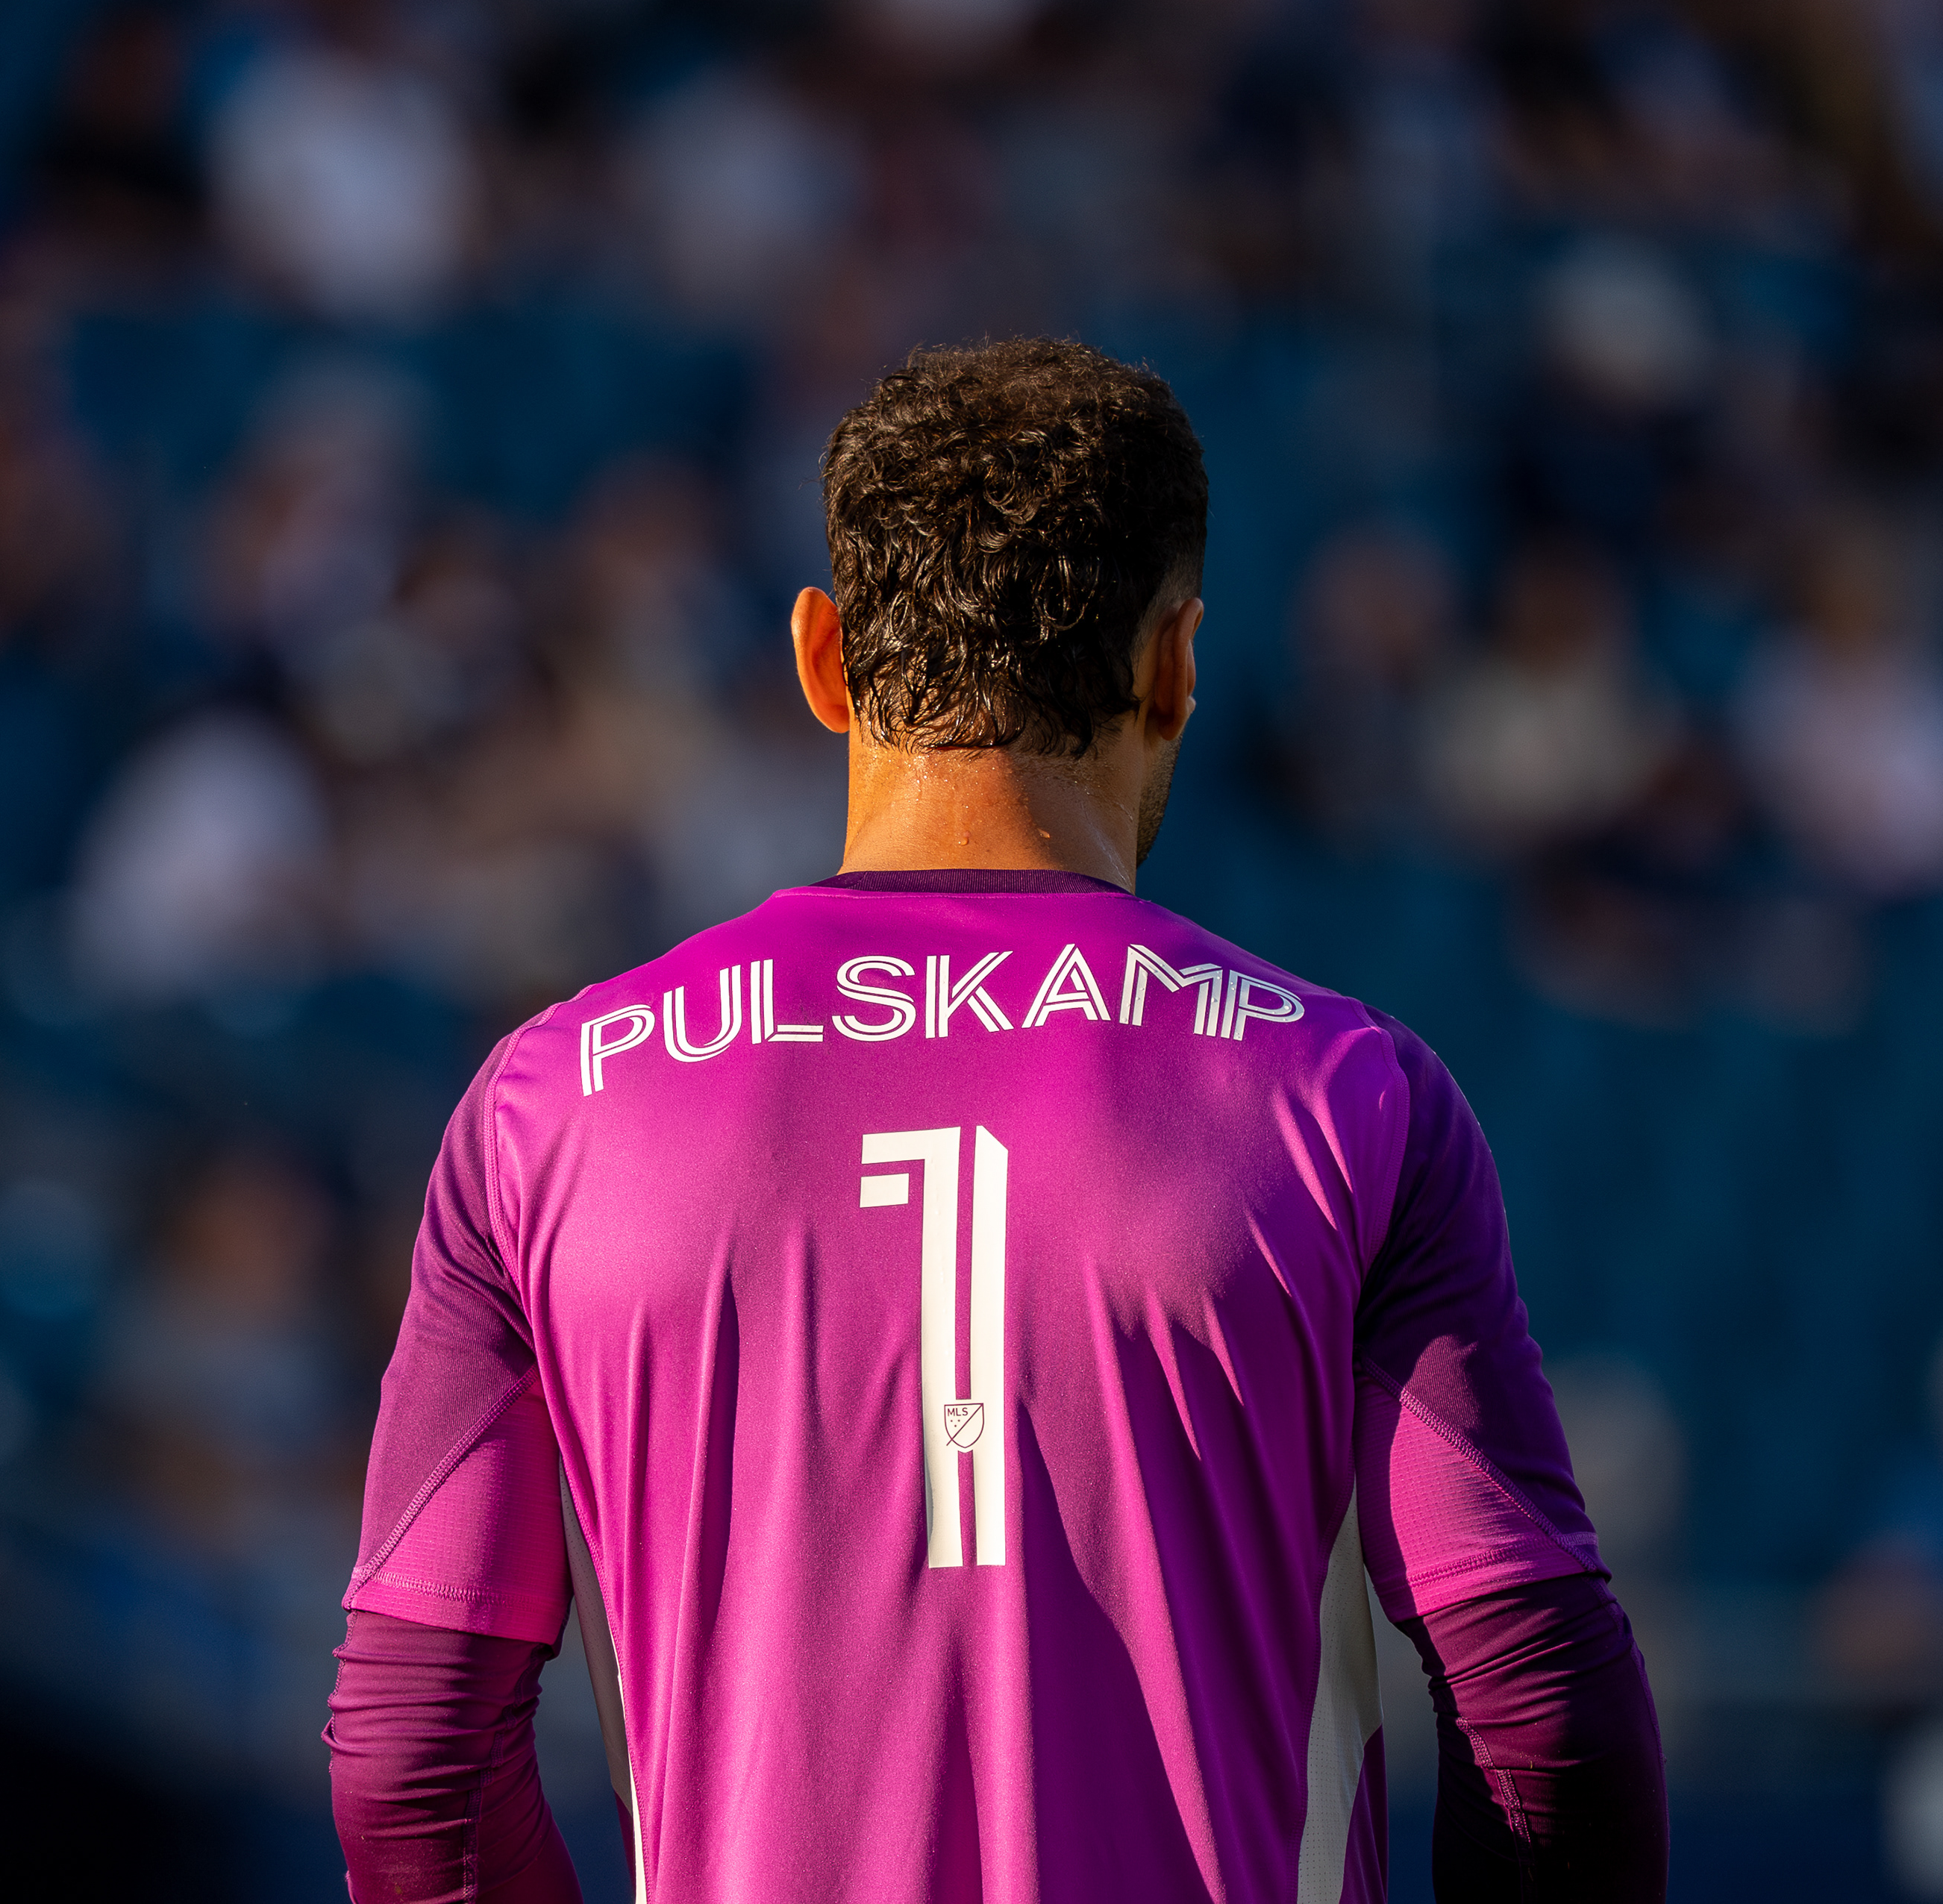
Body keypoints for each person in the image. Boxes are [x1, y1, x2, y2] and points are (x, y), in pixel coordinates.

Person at [324, 339, 1667, 1902]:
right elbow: (1542, 1708)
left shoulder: (554, 1102)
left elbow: (412, 1754)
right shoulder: (1343, 1091)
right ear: (1174, 665)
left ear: (823, 659)